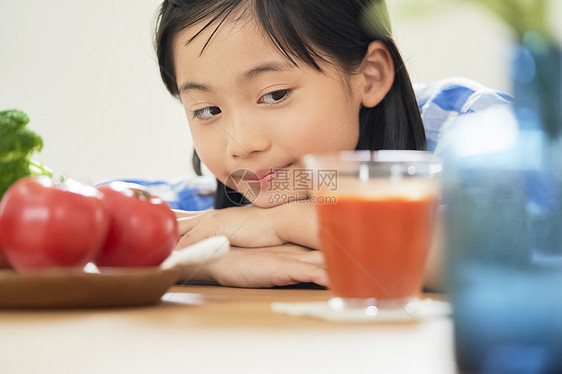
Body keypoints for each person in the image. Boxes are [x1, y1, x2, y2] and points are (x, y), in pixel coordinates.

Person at [153, 0, 508, 289]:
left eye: (274, 95)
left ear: (370, 76)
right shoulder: (218, 216)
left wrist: (288, 221)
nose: (242, 144)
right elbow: (101, 226)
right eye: (208, 110)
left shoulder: (469, 128)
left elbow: (518, 251)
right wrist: (208, 261)